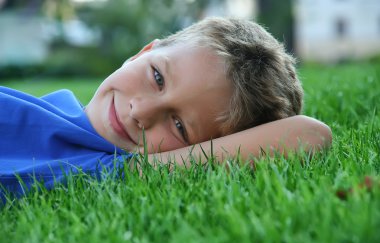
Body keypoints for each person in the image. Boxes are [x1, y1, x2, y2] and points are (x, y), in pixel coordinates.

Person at [0, 17, 332, 200]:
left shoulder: (97, 170)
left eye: (179, 127)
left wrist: (154, 166)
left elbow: (308, 135)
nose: (140, 112)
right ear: (142, 52)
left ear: (205, 149)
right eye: (157, 76)